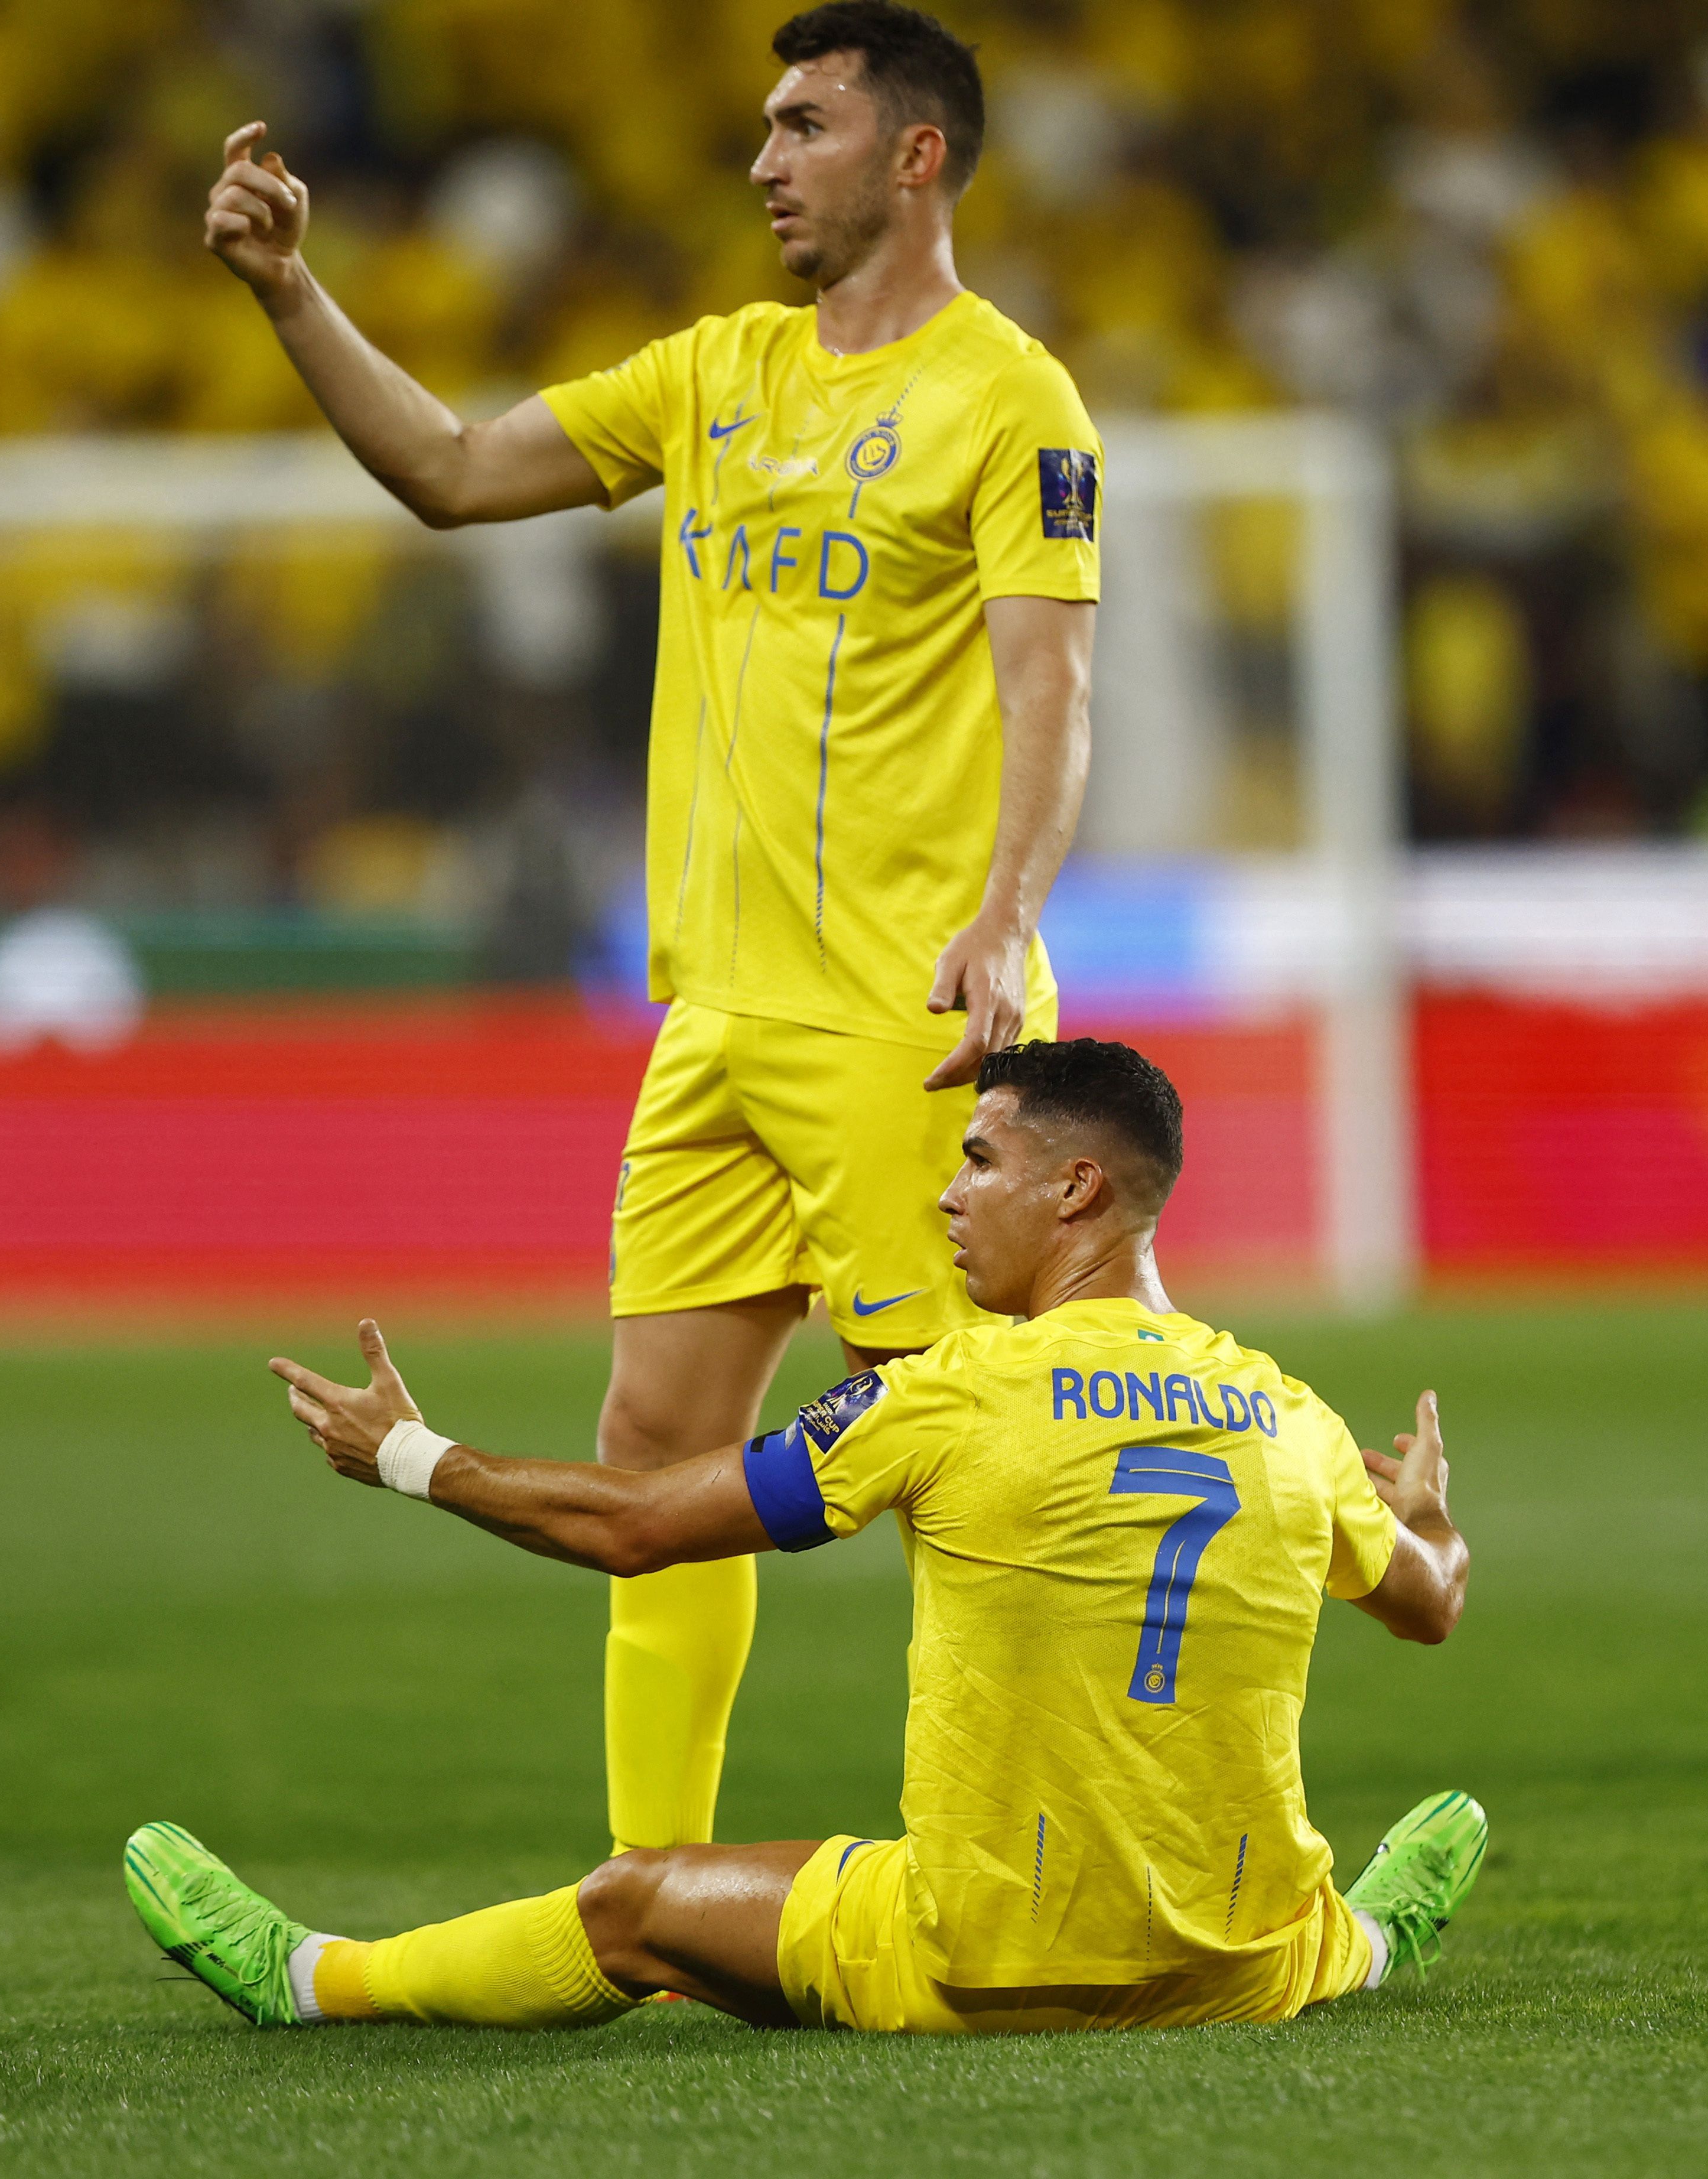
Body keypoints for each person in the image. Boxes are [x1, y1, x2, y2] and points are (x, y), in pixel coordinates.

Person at [203, 1, 1100, 1864]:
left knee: (982, 1465)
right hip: (713, 1027)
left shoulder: (1012, 397)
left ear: (915, 153)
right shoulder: (714, 373)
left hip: (900, 1023)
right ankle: (655, 1897)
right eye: (764, 129)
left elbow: (1051, 682)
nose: (763, 160)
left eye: (804, 126)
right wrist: (295, 296)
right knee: (655, 1456)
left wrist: (1009, 916)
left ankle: (1058, 1868)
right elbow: (449, 471)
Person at [125, 1038, 1484, 2037]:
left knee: (634, 1902)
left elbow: (644, 1523)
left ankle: (308, 1978)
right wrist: (1424, 1517)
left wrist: (412, 1456)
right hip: (1238, 1969)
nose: (948, 1195)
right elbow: (1430, 1602)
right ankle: (1364, 1932)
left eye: (977, 1160)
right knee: (1295, 1923)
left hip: (977, 1964)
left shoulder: (946, 1388)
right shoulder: (1289, 1413)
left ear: (1074, 1190)